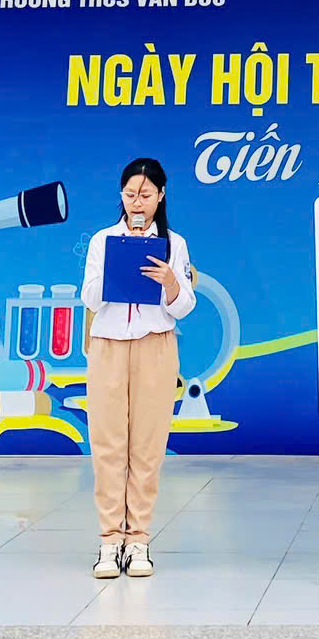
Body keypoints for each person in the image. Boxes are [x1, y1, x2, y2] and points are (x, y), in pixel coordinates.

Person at [81, 156, 196, 581]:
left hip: (156, 346)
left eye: (145, 195)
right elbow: (89, 298)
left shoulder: (173, 243)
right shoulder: (102, 240)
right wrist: (117, 268)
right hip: (108, 346)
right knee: (108, 443)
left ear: (161, 196)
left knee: (147, 446)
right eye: (130, 194)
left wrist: (170, 282)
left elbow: (184, 307)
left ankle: (139, 539)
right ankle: (110, 540)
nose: (137, 202)